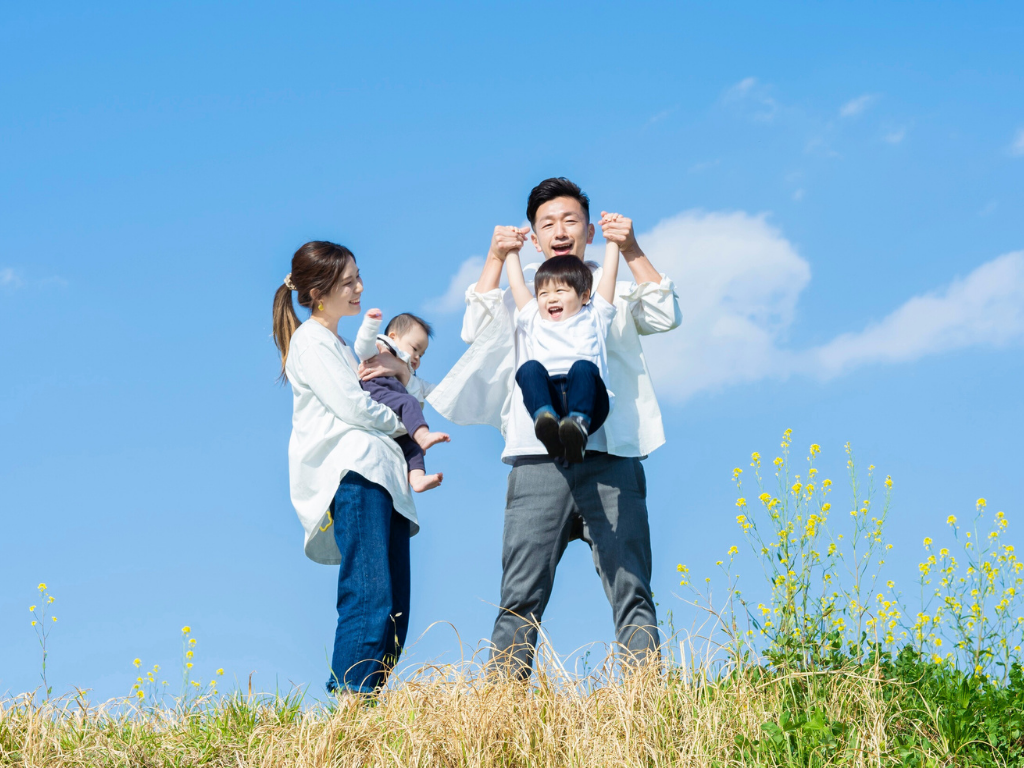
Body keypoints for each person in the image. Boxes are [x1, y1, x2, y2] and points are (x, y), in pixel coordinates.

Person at [429, 178, 682, 679]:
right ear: (533, 234)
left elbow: (666, 312)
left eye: (570, 221)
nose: (560, 230)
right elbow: (474, 330)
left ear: (589, 230)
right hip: (536, 458)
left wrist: (629, 248)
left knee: (631, 586)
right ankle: (501, 709)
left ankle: (648, 703)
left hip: (611, 457)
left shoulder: (616, 291)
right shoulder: (524, 296)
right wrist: (496, 258)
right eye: (548, 223)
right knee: (520, 594)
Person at [272, 240, 427, 694]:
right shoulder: (312, 341)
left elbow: (392, 391)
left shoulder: (344, 345)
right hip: (356, 475)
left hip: (387, 478)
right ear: (318, 292)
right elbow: (353, 406)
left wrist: (404, 390)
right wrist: (407, 423)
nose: (359, 287)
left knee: (397, 606)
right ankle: (350, 710)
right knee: (369, 594)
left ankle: (366, 711)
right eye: (347, 282)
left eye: (358, 275)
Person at [505, 237, 620, 462]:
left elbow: (609, 277)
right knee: (528, 369)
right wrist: (511, 251)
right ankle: (546, 421)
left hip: (590, 401)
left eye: (560, 291)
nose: (551, 298)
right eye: (544, 294)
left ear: (584, 296)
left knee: (582, 367)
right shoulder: (534, 319)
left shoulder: (595, 316)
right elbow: (517, 285)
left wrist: (614, 242)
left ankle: (578, 426)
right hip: (552, 399)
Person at [353, 309, 449, 492]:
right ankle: (423, 435)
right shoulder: (382, 348)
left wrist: (450, 390)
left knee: (413, 447)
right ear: (393, 337)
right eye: (414, 348)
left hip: (394, 404)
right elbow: (362, 347)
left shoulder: (410, 374)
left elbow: (431, 390)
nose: (417, 357)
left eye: (421, 354)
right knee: (410, 403)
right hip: (376, 391)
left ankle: (418, 479)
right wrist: (370, 326)